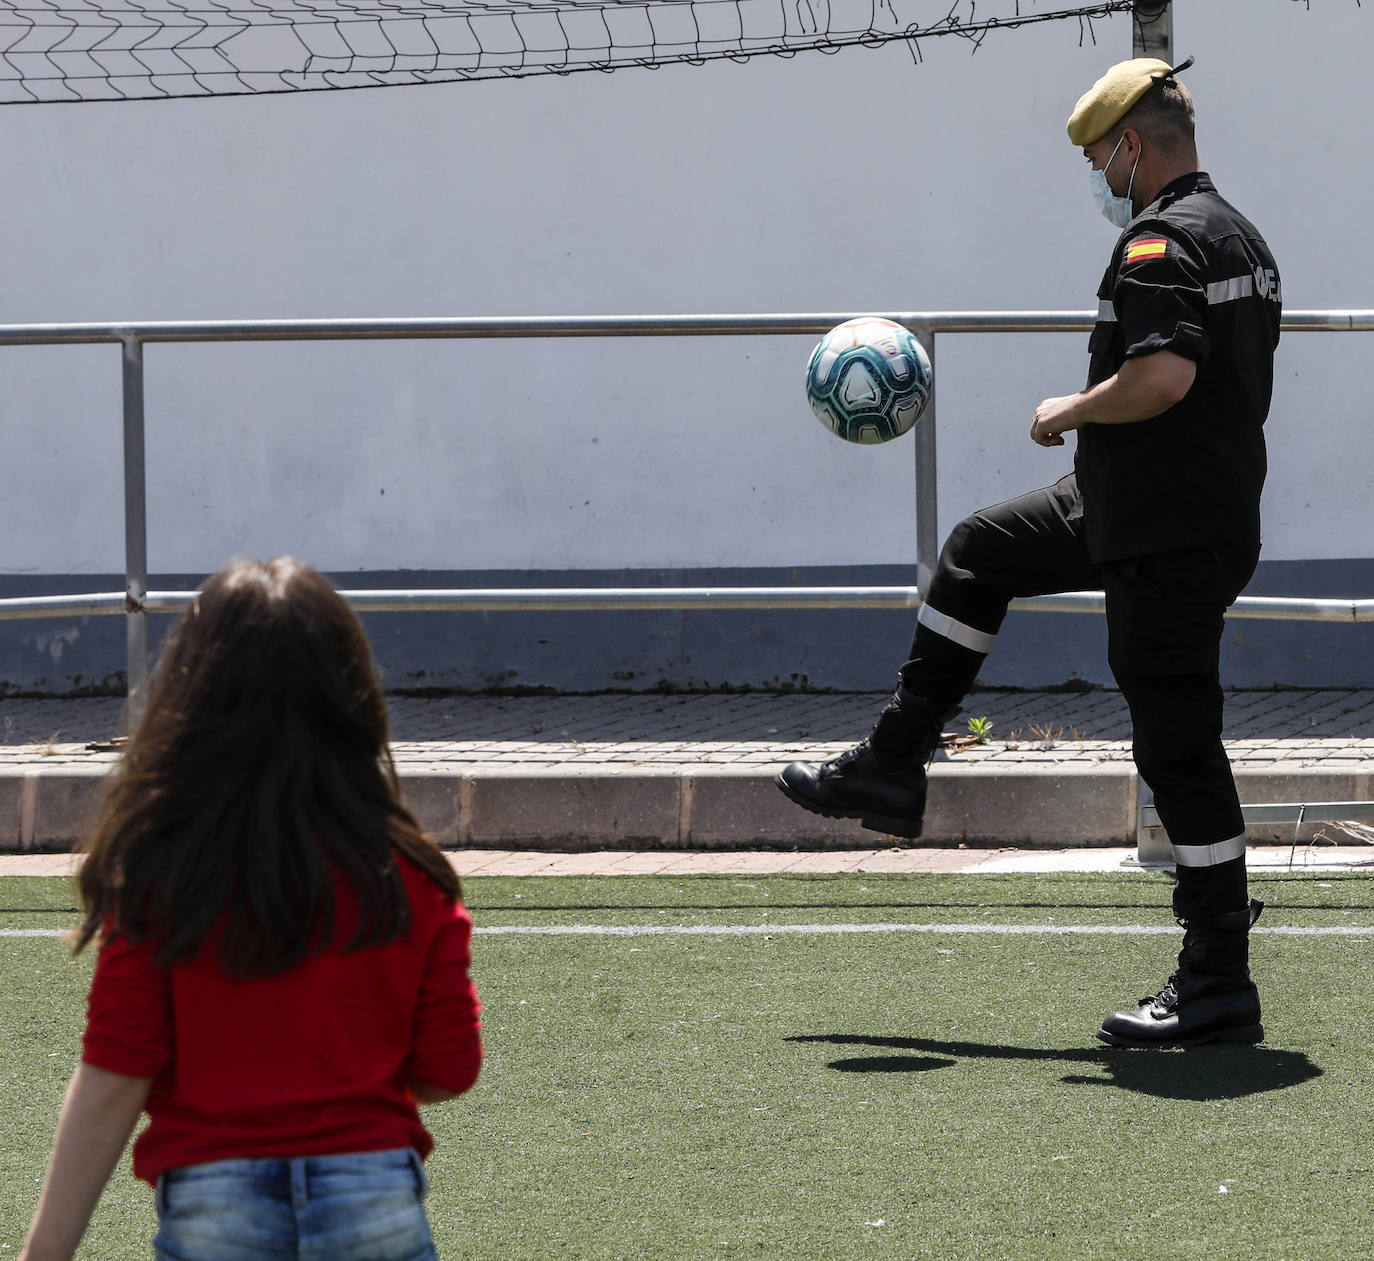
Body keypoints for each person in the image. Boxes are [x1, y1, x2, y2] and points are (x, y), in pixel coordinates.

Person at [776, 57, 1281, 1049]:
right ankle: (892, 762)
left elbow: (1165, 376)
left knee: (1176, 745)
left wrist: (1069, 410)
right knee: (979, 550)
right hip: (1134, 505)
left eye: (1101, 157)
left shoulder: (1161, 241)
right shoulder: (1241, 237)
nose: (1100, 176)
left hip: (1166, 530)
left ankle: (1219, 976)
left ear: (1132, 146)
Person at [20, 557, 483, 1261]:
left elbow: (115, 1077)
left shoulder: (163, 879)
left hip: (215, 1204)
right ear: (353, 700)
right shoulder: (411, 877)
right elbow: (448, 1066)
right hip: (373, 1199)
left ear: (189, 701)